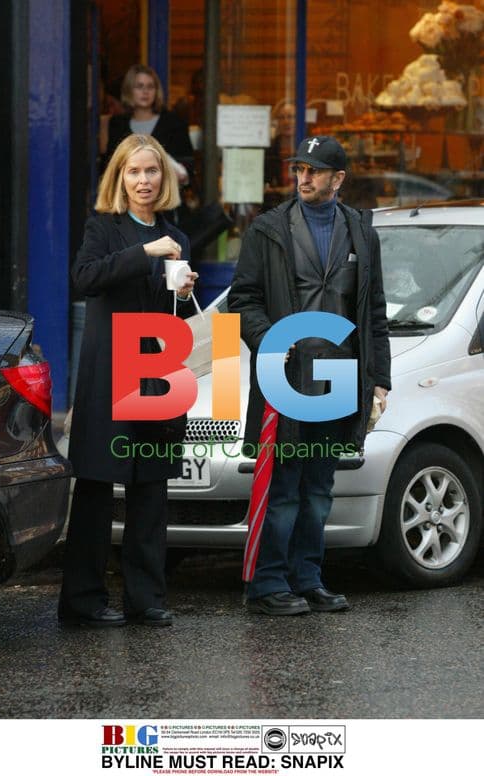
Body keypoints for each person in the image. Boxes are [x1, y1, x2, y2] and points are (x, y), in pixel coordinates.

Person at [228, 136, 391, 616]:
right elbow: (242, 301)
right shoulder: (268, 229)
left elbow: (374, 312)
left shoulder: (362, 231)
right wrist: (270, 340)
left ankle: (308, 578)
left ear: (338, 180)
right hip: (287, 378)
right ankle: (267, 585)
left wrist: (379, 378)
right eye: (299, 168)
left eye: (314, 171)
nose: (303, 178)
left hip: (339, 377)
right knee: (282, 488)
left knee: (319, 489)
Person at [58, 134, 198, 628]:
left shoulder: (177, 236)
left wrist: (180, 289)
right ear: (119, 177)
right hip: (108, 375)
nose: (144, 180)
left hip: (157, 374)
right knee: (96, 488)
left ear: (164, 178)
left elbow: (171, 312)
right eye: (134, 172)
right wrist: (146, 252)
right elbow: (86, 278)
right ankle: (83, 600)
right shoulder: (104, 229)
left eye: (152, 171)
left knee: (151, 489)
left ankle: (147, 598)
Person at [103, 64, 194, 184]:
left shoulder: (174, 123)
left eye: (150, 87)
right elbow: (111, 167)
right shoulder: (118, 124)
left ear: (156, 91)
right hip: (129, 199)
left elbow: (187, 166)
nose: (145, 91)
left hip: (167, 199)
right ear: (129, 90)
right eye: (139, 86)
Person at [263, 101, 296, 210]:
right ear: (276, 122)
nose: (286, 121)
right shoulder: (269, 150)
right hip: (276, 207)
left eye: (291, 117)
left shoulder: (309, 147)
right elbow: (264, 185)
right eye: (282, 117)